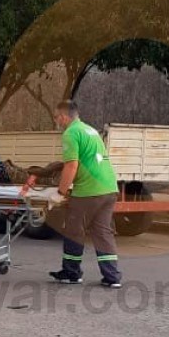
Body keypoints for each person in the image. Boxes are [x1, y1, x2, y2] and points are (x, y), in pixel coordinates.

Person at [46, 100, 122, 288]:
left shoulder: (71, 133)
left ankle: (71, 273)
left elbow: (72, 165)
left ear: (64, 117)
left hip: (89, 191)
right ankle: (112, 276)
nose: (56, 121)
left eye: (56, 117)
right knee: (103, 232)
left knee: (74, 231)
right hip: (109, 188)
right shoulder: (90, 130)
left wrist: (60, 192)